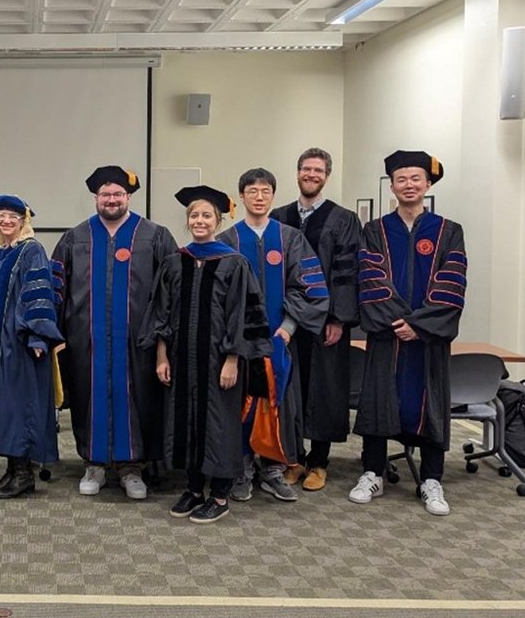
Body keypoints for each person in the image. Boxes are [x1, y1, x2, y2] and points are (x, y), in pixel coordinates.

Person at [143, 186, 271, 524]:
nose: (200, 221)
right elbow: (161, 313)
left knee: (219, 425)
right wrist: (161, 356)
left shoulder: (234, 263)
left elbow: (242, 315)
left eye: (207, 216)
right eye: (195, 216)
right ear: (188, 221)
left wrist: (232, 359)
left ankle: (220, 495)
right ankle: (194, 489)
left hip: (220, 362)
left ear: (218, 221)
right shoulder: (175, 262)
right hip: (182, 360)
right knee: (185, 422)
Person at [349, 151, 466, 517]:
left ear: (427, 184)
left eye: (416, 179)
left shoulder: (449, 231)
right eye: (401, 179)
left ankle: (432, 479)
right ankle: (373, 472)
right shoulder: (375, 230)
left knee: (430, 404)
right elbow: (370, 279)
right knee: (378, 400)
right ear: (392, 186)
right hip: (387, 336)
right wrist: (399, 321)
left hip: (428, 341)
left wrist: (420, 325)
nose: (409, 185)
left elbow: (452, 283)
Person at [53, 166, 177, 500]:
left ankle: (131, 467)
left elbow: (171, 291)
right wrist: (57, 337)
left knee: (137, 400)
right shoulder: (75, 237)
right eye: (105, 194)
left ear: (129, 197)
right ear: (96, 197)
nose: (112, 200)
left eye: (118, 194)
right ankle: (93, 463)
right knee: (87, 398)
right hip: (85, 341)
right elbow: (56, 289)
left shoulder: (154, 235)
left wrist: (163, 340)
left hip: (139, 342)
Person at [219, 168, 328, 504]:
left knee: (277, 403)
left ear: (273, 196)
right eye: (252, 191)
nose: (259, 197)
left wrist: (288, 327)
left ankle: (273, 470)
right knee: (240, 405)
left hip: (279, 339)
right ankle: (241, 470)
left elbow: (308, 286)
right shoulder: (227, 241)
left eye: (265, 190)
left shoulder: (290, 238)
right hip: (239, 344)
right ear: (241, 196)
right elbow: (217, 298)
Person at [269, 148, 362, 492]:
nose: (311, 174)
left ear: (327, 176)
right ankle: (292, 459)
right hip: (287, 320)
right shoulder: (279, 216)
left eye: (318, 170)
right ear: (297, 173)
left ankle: (319, 462)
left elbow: (347, 272)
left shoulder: (343, 219)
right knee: (290, 388)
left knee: (324, 389)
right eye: (306, 169)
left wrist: (338, 318)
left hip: (325, 321)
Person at [0, 195, 64, 500]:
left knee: (21, 406)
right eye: (1, 216)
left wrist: (38, 337)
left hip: (22, 344)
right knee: (6, 407)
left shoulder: (31, 250)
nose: (6, 221)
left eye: (12, 217)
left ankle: (25, 474)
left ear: (23, 221)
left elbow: (39, 296)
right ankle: (13, 470)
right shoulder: (1, 255)